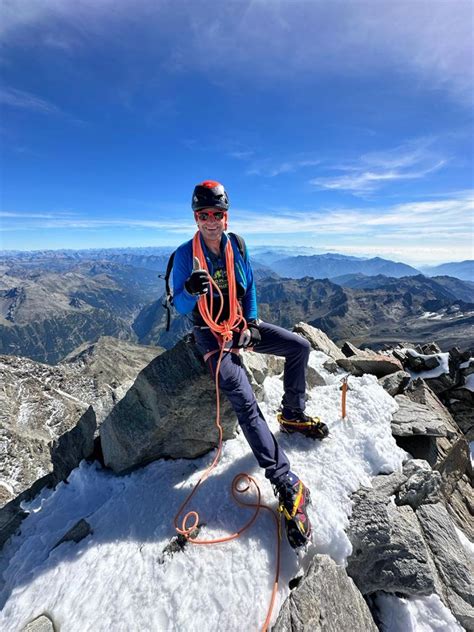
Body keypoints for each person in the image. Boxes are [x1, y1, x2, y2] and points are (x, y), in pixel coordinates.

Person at [172, 180, 329, 549]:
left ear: (226, 217)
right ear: (196, 218)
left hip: (240, 327)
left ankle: (292, 413)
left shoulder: (237, 245)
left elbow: (251, 286)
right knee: (243, 399)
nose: (211, 221)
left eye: (218, 214)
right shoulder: (185, 256)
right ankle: (286, 481)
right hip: (211, 336)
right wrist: (191, 291)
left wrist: (254, 324)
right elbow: (178, 305)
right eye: (204, 215)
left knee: (299, 347)